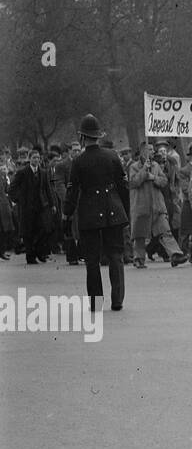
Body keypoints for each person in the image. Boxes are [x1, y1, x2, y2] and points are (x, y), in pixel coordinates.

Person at [63, 114, 130, 311]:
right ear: (99, 135)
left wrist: (66, 215)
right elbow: (123, 187)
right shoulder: (112, 156)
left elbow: (72, 191)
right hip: (113, 210)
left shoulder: (79, 161)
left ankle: (96, 302)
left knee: (92, 260)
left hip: (89, 213)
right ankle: (117, 300)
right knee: (116, 256)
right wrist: (125, 212)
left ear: (83, 137)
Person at [127, 142, 184, 267]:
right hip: (141, 206)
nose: (153, 152)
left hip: (157, 206)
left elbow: (164, 181)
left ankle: (175, 254)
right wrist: (144, 171)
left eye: (153, 150)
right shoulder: (134, 167)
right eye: (150, 150)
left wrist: (153, 178)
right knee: (139, 234)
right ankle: (139, 259)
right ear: (143, 151)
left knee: (165, 231)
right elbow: (134, 182)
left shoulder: (156, 166)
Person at [8, 148, 56, 263]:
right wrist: (19, 199)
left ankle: (39, 252)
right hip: (26, 207)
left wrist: (52, 204)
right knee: (28, 232)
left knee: (43, 229)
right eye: (34, 158)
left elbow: (47, 189)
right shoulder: (22, 172)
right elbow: (12, 188)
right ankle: (30, 256)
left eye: (38, 158)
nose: (36, 160)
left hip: (40, 206)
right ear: (30, 159)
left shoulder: (43, 172)